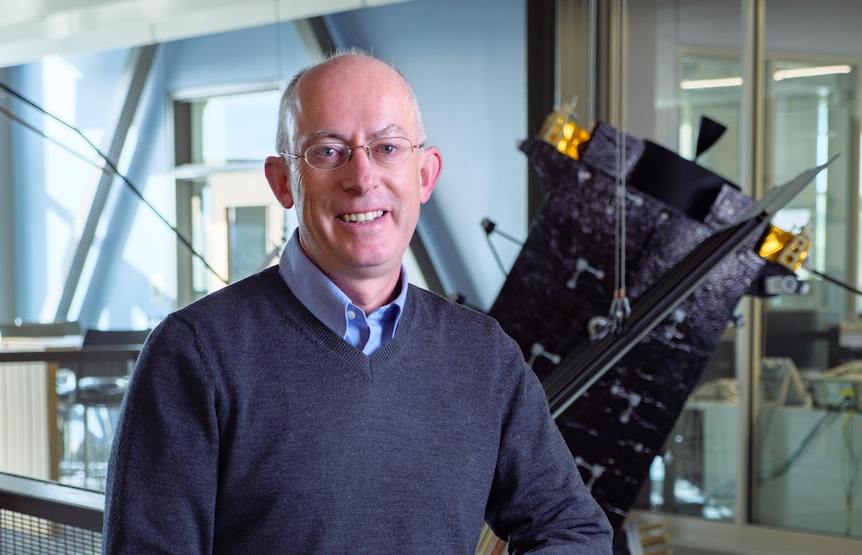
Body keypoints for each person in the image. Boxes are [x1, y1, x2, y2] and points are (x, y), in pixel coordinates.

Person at [102, 50, 613, 554]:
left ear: (426, 174)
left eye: (388, 148)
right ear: (283, 182)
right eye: (328, 151)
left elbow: (573, 531)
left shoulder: (483, 355)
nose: (362, 178)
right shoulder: (195, 355)